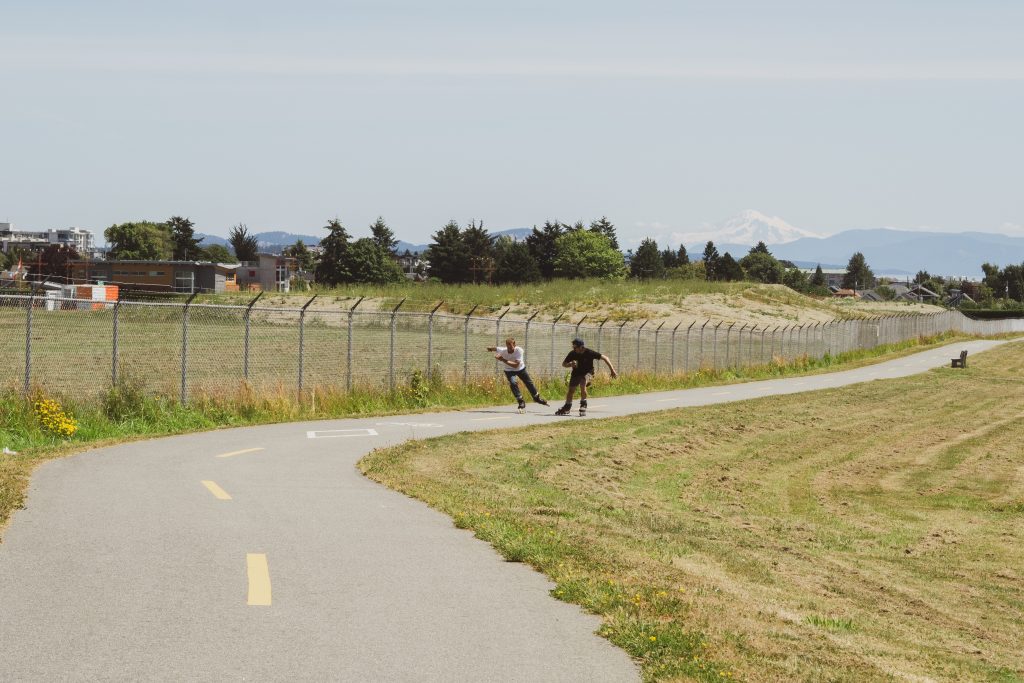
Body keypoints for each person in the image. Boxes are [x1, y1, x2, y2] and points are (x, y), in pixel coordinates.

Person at [555, 337, 617, 416]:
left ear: (581, 347)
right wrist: (570, 364)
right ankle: (567, 406)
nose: (574, 349)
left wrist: (612, 370)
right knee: (571, 390)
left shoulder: (589, 352)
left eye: (575, 347)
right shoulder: (572, 353)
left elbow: (605, 358)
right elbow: (563, 364)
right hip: (576, 373)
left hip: (588, 372)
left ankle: (583, 404)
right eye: (573, 347)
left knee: (583, 383)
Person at [486, 337, 549, 412]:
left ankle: (536, 398)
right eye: (508, 347)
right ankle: (520, 401)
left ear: (514, 345)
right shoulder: (503, 350)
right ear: (506, 346)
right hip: (509, 370)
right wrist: (489, 349)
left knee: (529, 383)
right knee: (513, 382)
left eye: (511, 347)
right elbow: (495, 349)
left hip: (520, 369)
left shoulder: (519, 350)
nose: (510, 349)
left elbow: (515, 365)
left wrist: (502, 359)